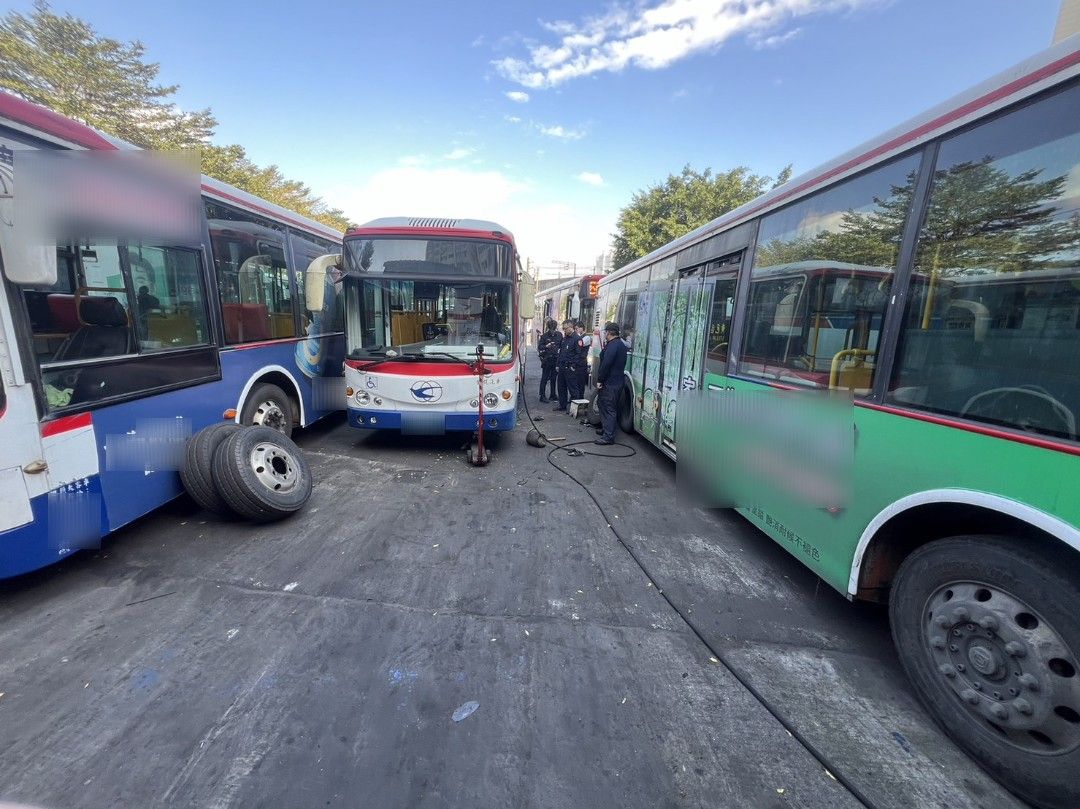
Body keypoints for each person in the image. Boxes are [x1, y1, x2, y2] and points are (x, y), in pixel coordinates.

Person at [594, 322, 628, 445]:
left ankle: (608, 436)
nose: (605, 334)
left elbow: (606, 364)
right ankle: (606, 429)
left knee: (609, 407)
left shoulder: (613, 346)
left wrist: (600, 380)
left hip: (610, 382)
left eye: (605, 332)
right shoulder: (620, 345)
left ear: (609, 333)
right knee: (602, 403)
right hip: (617, 381)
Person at [554, 319, 582, 411]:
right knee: (561, 387)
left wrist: (573, 366)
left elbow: (578, 355)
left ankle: (574, 409)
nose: (564, 330)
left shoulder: (577, 339)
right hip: (562, 367)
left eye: (565, 328)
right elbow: (561, 352)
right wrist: (558, 364)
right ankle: (562, 405)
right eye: (563, 328)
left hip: (570, 368)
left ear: (571, 327)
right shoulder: (565, 338)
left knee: (573, 389)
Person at [537, 318, 560, 402]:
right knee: (544, 378)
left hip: (555, 359)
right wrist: (546, 346)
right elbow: (539, 347)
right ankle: (542, 396)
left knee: (554, 378)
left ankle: (553, 394)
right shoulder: (544, 336)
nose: (553, 331)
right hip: (547, 360)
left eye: (554, 329)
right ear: (548, 328)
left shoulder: (559, 335)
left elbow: (561, 345)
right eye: (551, 330)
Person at [574, 320, 592, 393]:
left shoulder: (587, 337)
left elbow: (580, 344)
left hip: (582, 362)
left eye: (577, 328)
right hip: (577, 362)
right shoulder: (580, 337)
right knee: (576, 382)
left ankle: (580, 399)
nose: (576, 330)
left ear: (582, 328)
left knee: (581, 383)